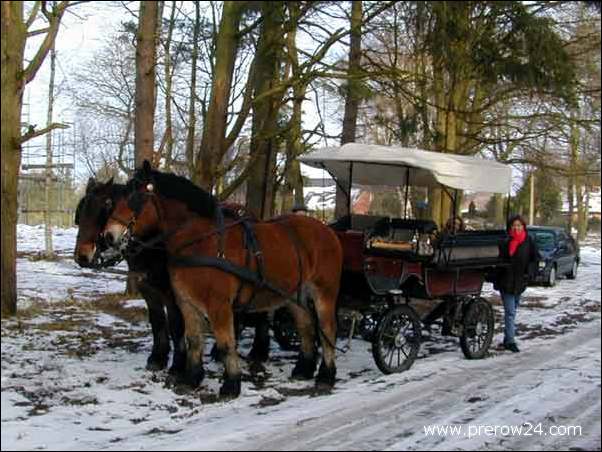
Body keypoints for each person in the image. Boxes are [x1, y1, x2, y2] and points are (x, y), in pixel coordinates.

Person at [495, 215, 540, 353]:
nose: (516, 228)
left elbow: (535, 258)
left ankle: (507, 338)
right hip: (506, 281)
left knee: (513, 311)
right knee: (510, 312)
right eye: (514, 225)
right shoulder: (505, 241)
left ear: (523, 227)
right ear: (510, 227)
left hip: (520, 281)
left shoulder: (528, 240)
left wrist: (529, 273)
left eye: (519, 225)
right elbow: (499, 260)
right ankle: (510, 341)